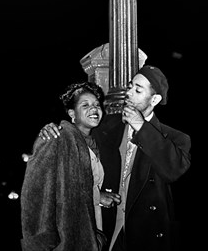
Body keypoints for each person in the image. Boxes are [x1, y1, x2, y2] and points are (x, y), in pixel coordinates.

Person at [39, 65, 191, 251]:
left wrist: (141, 127)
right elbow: (76, 144)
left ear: (155, 99)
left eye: (138, 90)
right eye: (130, 86)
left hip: (147, 236)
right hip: (108, 229)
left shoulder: (175, 139)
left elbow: (173, 171)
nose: (129, 93)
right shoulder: (107, 125)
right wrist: (55, 131)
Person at [21, 81, 120, 251]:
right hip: (64, 239)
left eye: (97, 105)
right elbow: (35, 192)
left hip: (91, 232)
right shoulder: (56, 138)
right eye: (85, 105)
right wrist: (41, 243)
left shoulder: (97, 142)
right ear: (72, 114)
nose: (94, 109)